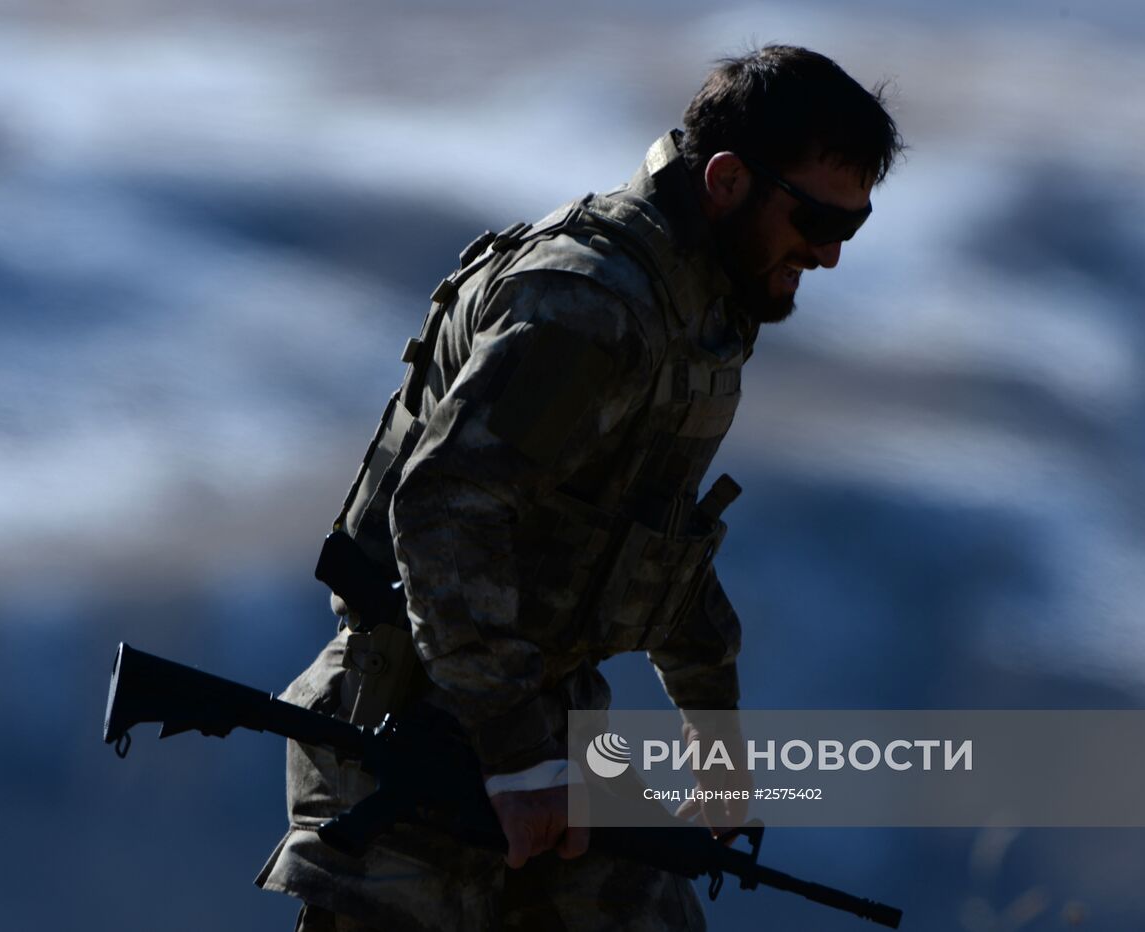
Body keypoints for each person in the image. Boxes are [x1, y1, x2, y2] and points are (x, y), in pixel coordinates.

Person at [256, 44, 902, 931]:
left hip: (540, 732)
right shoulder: (589, 305)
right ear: (724, 181)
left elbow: (651, 547)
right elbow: (445, 508)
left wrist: (715, 742)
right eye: (818, 221)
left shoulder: (698, 313)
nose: (828, 256)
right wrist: (522, 761)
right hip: (407, 729)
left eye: (851, 230)